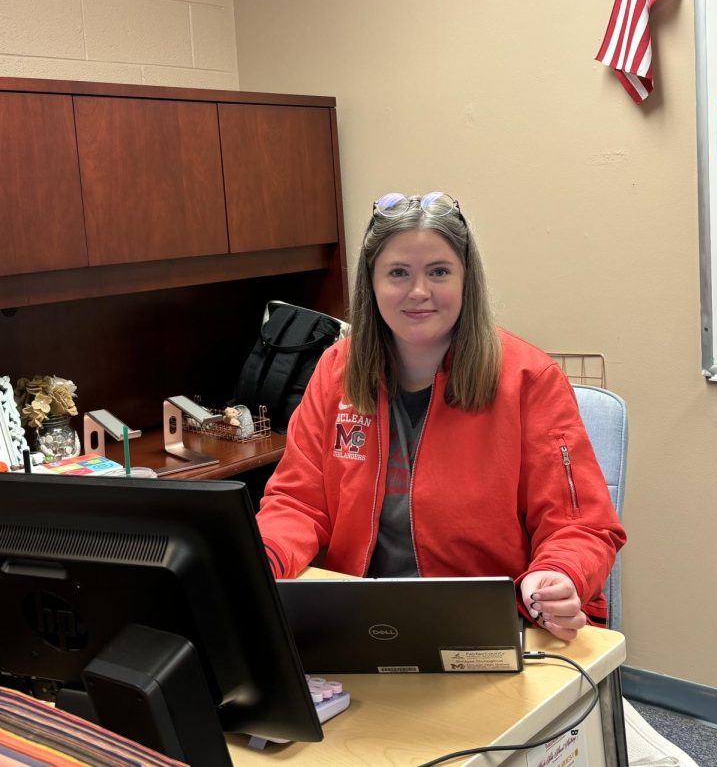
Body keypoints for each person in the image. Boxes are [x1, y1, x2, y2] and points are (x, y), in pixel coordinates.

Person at [256, 192, 626, 641]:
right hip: (359, 620)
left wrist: (558, 575)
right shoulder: (337, 370)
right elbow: (298, 502)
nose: (418, 292)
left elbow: (579, 524)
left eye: (439, 272)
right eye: (398, 273)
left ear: (466, 280)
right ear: (370, 284)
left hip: (487, 625)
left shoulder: (530, 379)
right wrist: (261, 559)